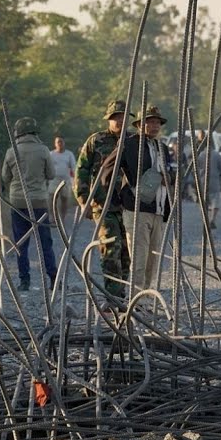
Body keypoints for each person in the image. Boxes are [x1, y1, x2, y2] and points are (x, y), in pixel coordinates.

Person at [103, 105, 173, 294]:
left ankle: (144, 299)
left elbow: (171, 175)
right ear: (139, 125)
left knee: (153, 260)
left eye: (157, 122)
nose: (154, 125)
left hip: (158, 210)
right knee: (139, 260)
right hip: (137, 211)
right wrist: (120, 199)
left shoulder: (162, 148)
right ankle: (135, 302)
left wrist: (169, 178)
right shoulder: (129, 144)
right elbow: (107, 172)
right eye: (149, 121)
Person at [75, 100, 132, 306]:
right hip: (103, 204)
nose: (119, 121)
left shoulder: (133, 141)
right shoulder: (96, 140)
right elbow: (82, 170)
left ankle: (122, 293)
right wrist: (83, 201)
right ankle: (112, 296)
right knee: (110, 248)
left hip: (128, 205)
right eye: (115, 117)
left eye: (123, 117)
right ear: (108, 119)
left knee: (127, 253)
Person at [2, 116, 58, 293]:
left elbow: (5, 178)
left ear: (18, 133)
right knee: (44, 242)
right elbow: (51, 174)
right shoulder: (43, 150)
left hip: (17, 202)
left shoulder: (11, 152)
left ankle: (24, 280)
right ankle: (53, 278)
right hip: (39, 202)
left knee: (20, 243)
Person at [198, 134, 221, 229]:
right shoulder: (216, 155)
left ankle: (205, 220)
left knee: (203, 202)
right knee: (215, 201)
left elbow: (195, 168)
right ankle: (212, 220)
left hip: (202, 181)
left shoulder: (200, 154)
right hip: (214, 181)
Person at [48, 135, 77, 226]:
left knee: (65, 199)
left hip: (65, 180)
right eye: (58, 142)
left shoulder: (69, 154)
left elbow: (73, 167)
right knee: (52, 198)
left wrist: (75, 179)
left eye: (61, 141)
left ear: (64, 143)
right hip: (54, 179)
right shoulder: (51, 154)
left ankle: (62, 218)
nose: (59, 144)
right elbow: (47, 167)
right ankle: (53, 217)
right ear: (55, 144)